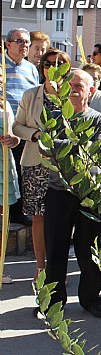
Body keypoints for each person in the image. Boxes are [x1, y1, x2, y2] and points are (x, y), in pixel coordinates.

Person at [36, 70, 101, 318]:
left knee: (88, 250)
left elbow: (95, 151)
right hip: (58, 192)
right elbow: (43, 147)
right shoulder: (54, 117)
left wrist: (61, 147)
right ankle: (53, 302)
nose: (74, 89)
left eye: (79, 85)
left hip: (89, 194)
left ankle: (91, 299)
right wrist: (76, 147)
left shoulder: (100, 120)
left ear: (91, 91)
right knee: (55, 249)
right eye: (70, 85)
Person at [12, 49, 71, 281]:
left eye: (59, 63)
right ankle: (40, 267)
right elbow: (17, 127)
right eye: (48, 64)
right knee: (39, 216)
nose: (53, 68)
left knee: (63, 218)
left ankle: (59, 268)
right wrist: (35, 134)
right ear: (41, 68)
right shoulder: (31, 95)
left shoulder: (72, 95)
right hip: (35, 163)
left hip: (66, 166)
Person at [4, 28, 39, 227]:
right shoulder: (1, 65)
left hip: (24, 127)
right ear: (8, 44)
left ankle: (18, 212)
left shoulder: (31, 68)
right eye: (19, 41)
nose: (24, 45)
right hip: (4, 126)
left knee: (20, 169)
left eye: (27, 42)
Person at [0, 68, 20, 284]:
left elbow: (13, 130)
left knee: (1, 218)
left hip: (3, 161)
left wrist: (14, 139)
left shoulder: (5, 102)